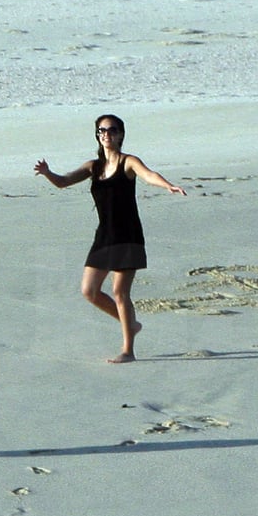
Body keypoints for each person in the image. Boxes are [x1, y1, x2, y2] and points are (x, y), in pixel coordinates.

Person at [34, 114, 186, 363]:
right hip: (104, 236)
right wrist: (48, 172)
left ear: (121, 134)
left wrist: (167, 185)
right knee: (89, 291)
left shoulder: (129, 162)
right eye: (102, 130)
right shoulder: (93, 167)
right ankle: (131, 324)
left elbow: (148, 174)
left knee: (120, 293)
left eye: (112, 130)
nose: (106, 134)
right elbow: (63, 182)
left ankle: (128, 350)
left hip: (128, 235)